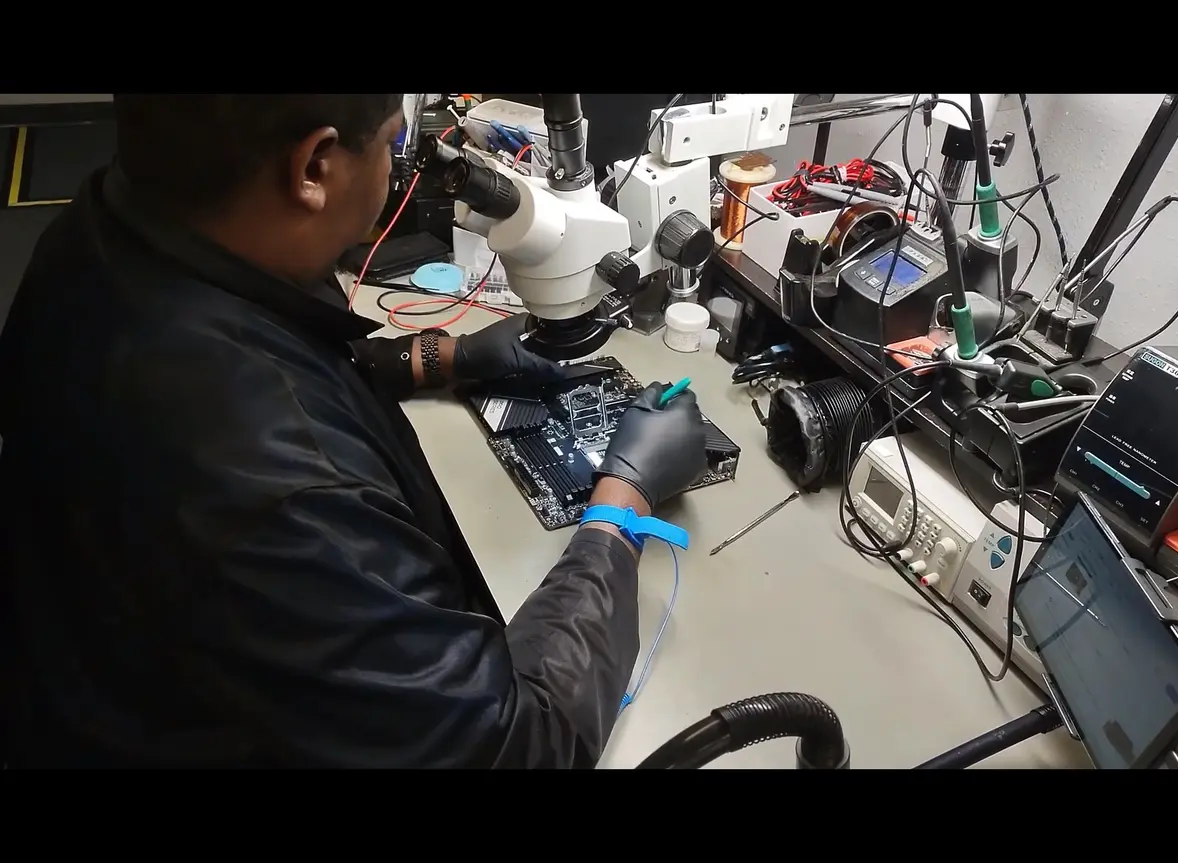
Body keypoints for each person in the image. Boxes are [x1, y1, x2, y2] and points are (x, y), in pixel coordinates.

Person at [0, 94, 709, 768]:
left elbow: (269, 346)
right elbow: (516, 743)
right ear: (314, 168)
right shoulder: (275, 493)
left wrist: (439, 355)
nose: (398, 165)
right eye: (394, 144)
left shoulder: (100, 231)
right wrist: (620, 508)